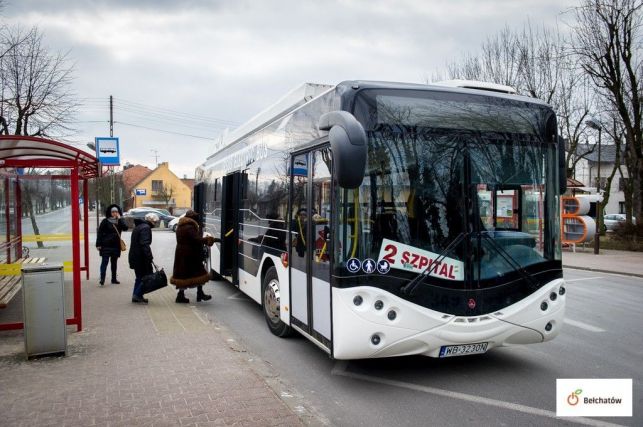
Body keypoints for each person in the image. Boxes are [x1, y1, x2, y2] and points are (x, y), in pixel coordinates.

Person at [170, 210, 217, 303]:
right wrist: (208, 239)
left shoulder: (181, 226)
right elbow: (196, 239)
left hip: (181, 254)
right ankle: (198, 294)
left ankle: (182, 295)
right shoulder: (189, 227)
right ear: (193, 219)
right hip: (190, 255)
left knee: (183, 275)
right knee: (199, 273)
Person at [128, 212, 158, 304]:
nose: (156, 224)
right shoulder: (146, 228)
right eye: (155, 222)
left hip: (135, 256)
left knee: (139, 277)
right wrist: (149, 258)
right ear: (151, 221)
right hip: (141, 258)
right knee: (147, 277)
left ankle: (136, 296)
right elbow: (145, 244)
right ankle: (137, 294)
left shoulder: (138, 226)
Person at [95, 204, 128, 285]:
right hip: (105, 245)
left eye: (116, 212)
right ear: (110, 212)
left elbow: (126, 228)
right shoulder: (105, 221)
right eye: (113, 212)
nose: (114, 213)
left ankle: (114, 279)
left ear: (118, 213)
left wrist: (121, 219)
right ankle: (102, 279)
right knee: (104, 263)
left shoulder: (119, 221)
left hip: (116, 246)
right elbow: (100, 233)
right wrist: (98, 244)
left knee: (114, 263)